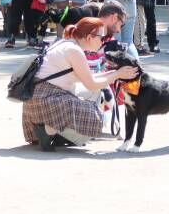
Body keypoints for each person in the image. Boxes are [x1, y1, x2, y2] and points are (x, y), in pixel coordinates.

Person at [21, 17, 139, 150]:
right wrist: (117, 74)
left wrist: (114, 73)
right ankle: (48, 131)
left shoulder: (65, 43)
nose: (103, 41)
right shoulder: (75, 51)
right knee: (97, 119)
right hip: (47, 101)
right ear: (89, 37)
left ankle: (57, 132)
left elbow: (89, 79)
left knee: (96, 93)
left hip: (35, 102)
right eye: (101, 37)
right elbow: (91, 84)